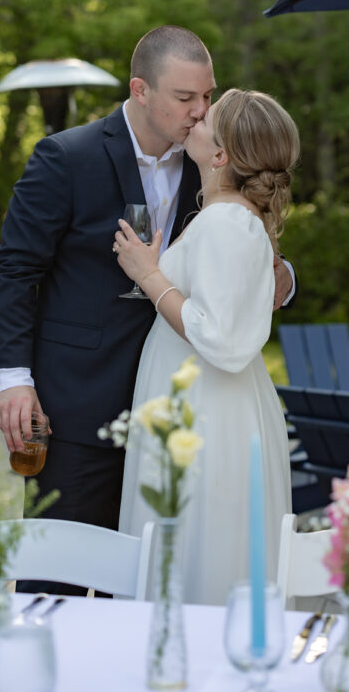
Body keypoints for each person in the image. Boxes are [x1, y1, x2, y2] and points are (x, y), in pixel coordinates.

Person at [0, 26, 294, 593]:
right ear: (141, 90)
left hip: (178, 413)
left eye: (207, 97)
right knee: (58, 572)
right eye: (186, 99)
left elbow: (236, 254)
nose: (200, 111)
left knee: (145, 580)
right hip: (78, 407)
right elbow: (16, 271)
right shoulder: (66, 157)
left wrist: (281, 276)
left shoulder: (212, 165)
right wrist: (13, 378)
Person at [115, 88, 299, 605]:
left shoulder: (223, 222)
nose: (196, 116)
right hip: (218, 404)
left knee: (199, 540)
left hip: (206, 412)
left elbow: (216, 335)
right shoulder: (233, 218)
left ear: (219, 156)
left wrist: (150, 276)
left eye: (207, 118)